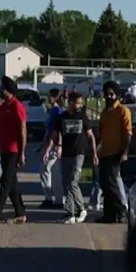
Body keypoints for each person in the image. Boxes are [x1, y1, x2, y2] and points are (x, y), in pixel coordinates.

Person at [43, 92, 98, 224]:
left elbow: (91, 136)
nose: (80, 106)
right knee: (66, 183)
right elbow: (54, 135)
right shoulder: (61, 118)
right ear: (71, 102)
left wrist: (94, 153)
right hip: (66, 153)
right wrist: (47, 150)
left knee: (73, 182)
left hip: (79, 153)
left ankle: (81, 208)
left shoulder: (83, 117)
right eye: (78, 103)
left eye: (81, 103)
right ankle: (70, 213)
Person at [0, 76, 27, 225]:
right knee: (12, 183)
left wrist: (22, 151)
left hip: (14, 149)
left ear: (8, 90)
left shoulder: (17, 106)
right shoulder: (2, 108)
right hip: (3, 148)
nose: (0, 90)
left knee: (5, 181)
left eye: (3, 88)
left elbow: (23, 129)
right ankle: (20, 213)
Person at [96, 81, 133, 224]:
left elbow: (128, 133)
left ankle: (121, 210)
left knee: (112, 183)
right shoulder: (105, 113)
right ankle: (109, 215)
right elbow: (100, 133)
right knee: (104, 184)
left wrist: (124, 152)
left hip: (116, 152)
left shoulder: (123, 111)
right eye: (107, 94)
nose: (109, 96)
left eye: (112, 94)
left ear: (117, 95)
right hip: (104, 152)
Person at [39, 89, 64, 209]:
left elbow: (57, 131)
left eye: (50, 96)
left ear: (54, 97)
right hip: (50, 144)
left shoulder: (57, 112)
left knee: (47, 170)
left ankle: (53, 198)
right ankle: (53, 198)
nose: (48, 99)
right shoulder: (52, 111)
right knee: (49, 172)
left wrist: (57, 146)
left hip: (54, 146)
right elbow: (48, 131)